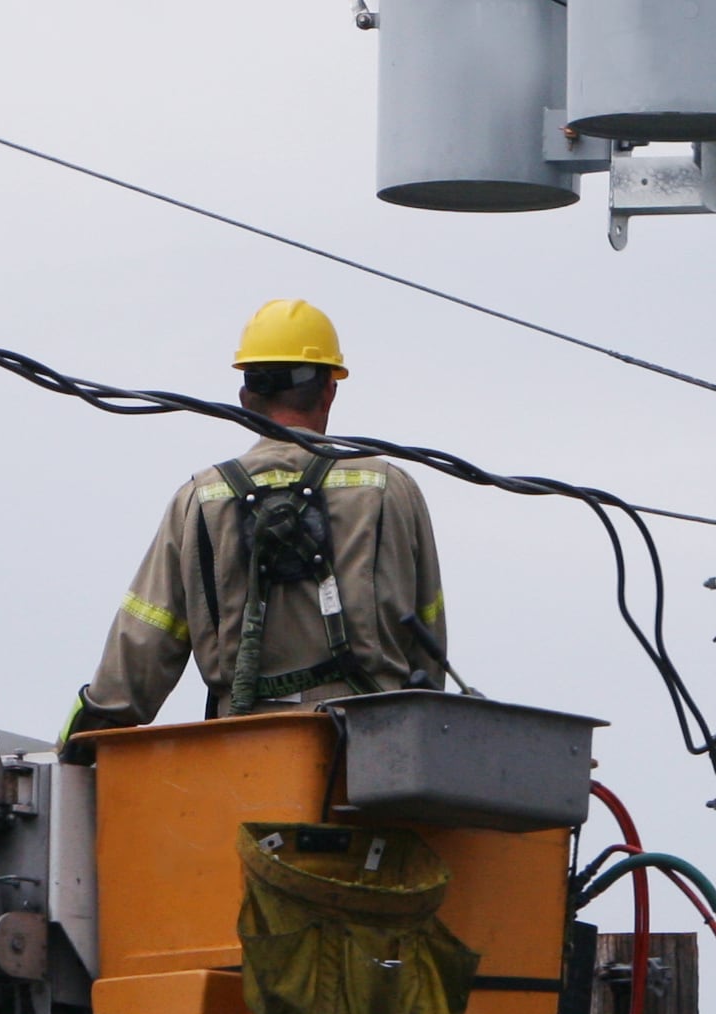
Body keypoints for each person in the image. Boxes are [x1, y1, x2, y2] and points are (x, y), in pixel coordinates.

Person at [64, 299, 451, 750]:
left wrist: (76, 742)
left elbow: (133, 666)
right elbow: (428, 643)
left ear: (246, 399)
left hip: (245, 759)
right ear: (330, 390)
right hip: (375, 757)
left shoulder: (201, 499)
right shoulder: (388, 488)